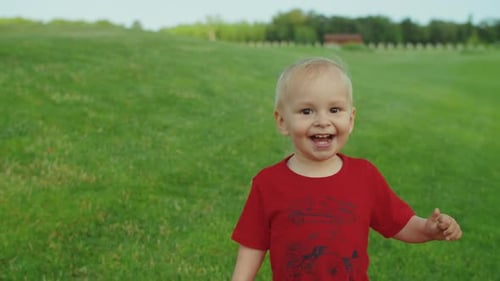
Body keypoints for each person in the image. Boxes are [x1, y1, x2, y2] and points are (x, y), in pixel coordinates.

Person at [230, 57, 462, 281]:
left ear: (350, 119)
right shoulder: (268, 183)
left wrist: (428, 229)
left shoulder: (364, 177)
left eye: (334, 110)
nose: (322, 121)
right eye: (306, 111)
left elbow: (400, 223)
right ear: (282, 122)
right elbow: (253, 244)